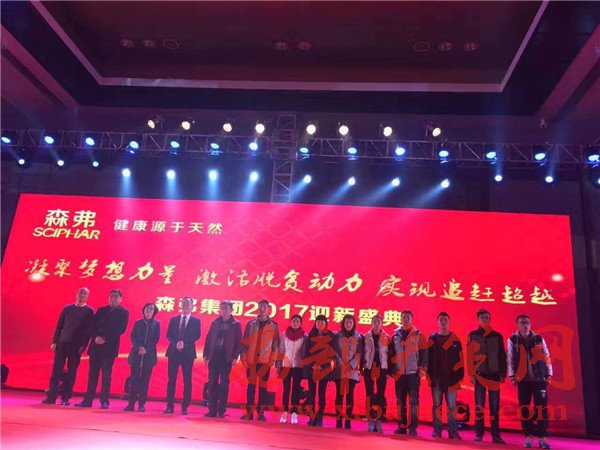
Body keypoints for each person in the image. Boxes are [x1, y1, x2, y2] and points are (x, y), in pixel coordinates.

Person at [75, 289, 129, 409]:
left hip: (109, 348)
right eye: (111, 296)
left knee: (106, 375)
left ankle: (104, 401)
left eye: (116, 297)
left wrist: (105, 338)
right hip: (96, 346)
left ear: (121, 299)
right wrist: (95, 337)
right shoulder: (102, 310)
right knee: (92, 374)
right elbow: (92, 326)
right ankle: (88, 400)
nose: (113, 299)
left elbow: (121, 329)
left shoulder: (124, 313)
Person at [507, 315, 553, 449]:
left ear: (530, 324)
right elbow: (510, 359)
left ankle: (543, 437)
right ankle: (528, 436)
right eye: (522, 323)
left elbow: (546, 356)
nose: (525, 325)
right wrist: (512, 376)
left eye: (527, 322)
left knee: (541, 408)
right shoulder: (513, 340)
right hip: (523, 380)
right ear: (517, 324)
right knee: (524, 408)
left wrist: (549, 374)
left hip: (539, 379)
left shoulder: (538, 338)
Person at [42, 287, 94, 406]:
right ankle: (51, 397)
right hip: (62, 342)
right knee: (56, 371)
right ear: (76, 294)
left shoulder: (89, 311)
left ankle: (66, 398)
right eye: (80, 293)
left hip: (76, 346)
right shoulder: (67, 308)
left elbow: (88, 330)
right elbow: (59, 325)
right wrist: (55, 341)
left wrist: (84, 345)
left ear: (87, 296)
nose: (82, 296)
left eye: (84, 294)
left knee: (71, 372)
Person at [467, 308, 507, 444]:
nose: (485, 319)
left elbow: (502, 356)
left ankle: (496, 435)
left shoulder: (497, 336)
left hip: (494, 375)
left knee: (494, 406)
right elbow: (470, 356)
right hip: (479, 375)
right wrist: (471, 374)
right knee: (479, 405)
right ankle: (479, 434)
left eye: (487, 317)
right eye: (482, 317)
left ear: (490, 319)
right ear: (478, 320)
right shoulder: (473, 335)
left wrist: (502, 373)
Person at [389, 310, 428, 437]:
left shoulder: (419, 335)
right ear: (400, 319)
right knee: (400, 401)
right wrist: (392, 370)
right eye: (404, 317)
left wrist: (422, 370)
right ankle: (401, 427)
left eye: (408, 317)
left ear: (412, 319)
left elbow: (424, 354)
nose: (406, 319)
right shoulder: (395, 336)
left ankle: (412, 428)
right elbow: (391, 354)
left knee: (414, 402)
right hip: (399, 374)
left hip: (413, 374)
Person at [240, 299, 280, 421]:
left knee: (263, 388)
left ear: (268, 309)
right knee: (251, 387)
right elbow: (244, 342)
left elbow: (276, 344)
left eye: (264, 307)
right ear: (258, 308)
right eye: (260, 307)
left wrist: (272, 360)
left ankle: (261, 414)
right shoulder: (250, 324)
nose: (262, 309)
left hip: (265, 362)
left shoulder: (273, 325)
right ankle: (249, 413)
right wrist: (243, 357)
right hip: (251, 361)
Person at [427, 312, 464, 440]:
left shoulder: (455, 340)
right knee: (437, 405)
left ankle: (453, 431)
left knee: (452, 406)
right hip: (436, 378)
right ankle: (437, 430)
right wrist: (429, 376)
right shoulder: (432, 339)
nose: (443, 322)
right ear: (437, 322)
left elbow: (460, 359)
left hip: (451, 379)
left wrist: (460, 376)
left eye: (445, 320)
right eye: (441, 319)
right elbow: (428, 358)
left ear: (449, 322)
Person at [203, 300, 242, 418]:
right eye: (222, 308)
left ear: (231, 310)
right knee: (212, 384)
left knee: (224, 385)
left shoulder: (236, 324)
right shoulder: (215, 322)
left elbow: (239, 342)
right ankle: (212, 410)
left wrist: (235, 357)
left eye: (226, 308)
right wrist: (206, 355)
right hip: (214, 356)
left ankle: (221, 410)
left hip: (226, 357)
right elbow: (208, 339)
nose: (224, 311)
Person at [164, 296, 201, 415]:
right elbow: (169, 334)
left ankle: (185, 406)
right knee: (171, 379)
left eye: (188, 304)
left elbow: (197, 335)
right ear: (181, 305)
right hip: (173, 352)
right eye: (184, 304)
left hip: (188, 353)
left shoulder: (196, 321)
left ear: (192, 306)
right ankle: (169, 405)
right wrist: (176, 343)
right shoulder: (174, 319)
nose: (185, 306)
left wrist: (184, 342)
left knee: (187, 380)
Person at [302, 314, 340, 427]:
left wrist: (323, 365)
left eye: (322, 322)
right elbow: (306, 352)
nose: (320, 324)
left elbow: (333, 353)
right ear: (315, 323)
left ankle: (319, 417)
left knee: (321, 394)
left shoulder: (331, 336)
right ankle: (311, 417)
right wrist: (312, 364)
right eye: (318, 322)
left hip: (324, 369)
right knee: (311, 394)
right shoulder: (311, 335)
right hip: (313, 368)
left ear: (326, 324)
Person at [124, 302, 160, 412]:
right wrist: (139, 347)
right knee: (133, 380)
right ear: (143, 311)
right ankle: (131, 404)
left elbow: (156, 339)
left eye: (151, 309)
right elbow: (133, 336)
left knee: (145, 381)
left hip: (149, 356)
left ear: (154, 312)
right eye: (147, 309)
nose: (149, 311)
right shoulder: (138, 323)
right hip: (136, 354)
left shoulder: (156, 324)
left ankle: (141, 404)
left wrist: (146, 349)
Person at [276, 314, 306, 425]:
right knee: (286, 390)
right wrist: (278, 365)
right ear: (291, 322)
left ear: (300, 323)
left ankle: (294, 413)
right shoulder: (284, 335)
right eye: (294, 321)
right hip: (286, 365)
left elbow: (304, 353)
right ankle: (284, 412)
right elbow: (281, 351)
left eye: (298, 321)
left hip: (298, 366)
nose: (295, 323)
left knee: (296, 391)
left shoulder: (304, 337)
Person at [334, 314, 363, 430]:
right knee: (339, 395)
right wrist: (340, 363)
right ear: (343, 323)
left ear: (354, 324)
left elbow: (359, 353)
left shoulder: (358, 337)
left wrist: (351, 365)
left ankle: (348, 421)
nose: (348, 324)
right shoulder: (337, 336)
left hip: (352, 371)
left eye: (351, 322)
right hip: (340, 370)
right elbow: (334, 351)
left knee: (350, 396)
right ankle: (338, 420)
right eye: (346, 322)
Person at [362, 314, 389, 433]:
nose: (376, 324)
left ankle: (379, 419)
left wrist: (389, 370)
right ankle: (370, 419)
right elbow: (362, 353)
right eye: (374, 322)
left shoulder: (387, 337)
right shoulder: (365, 337)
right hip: (369, 367)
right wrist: (361, 368)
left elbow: (390, 354)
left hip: (382, 368)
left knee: (380, 394)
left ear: (382, 324)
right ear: (371, 323)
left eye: (379, 322)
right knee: (369, 393)